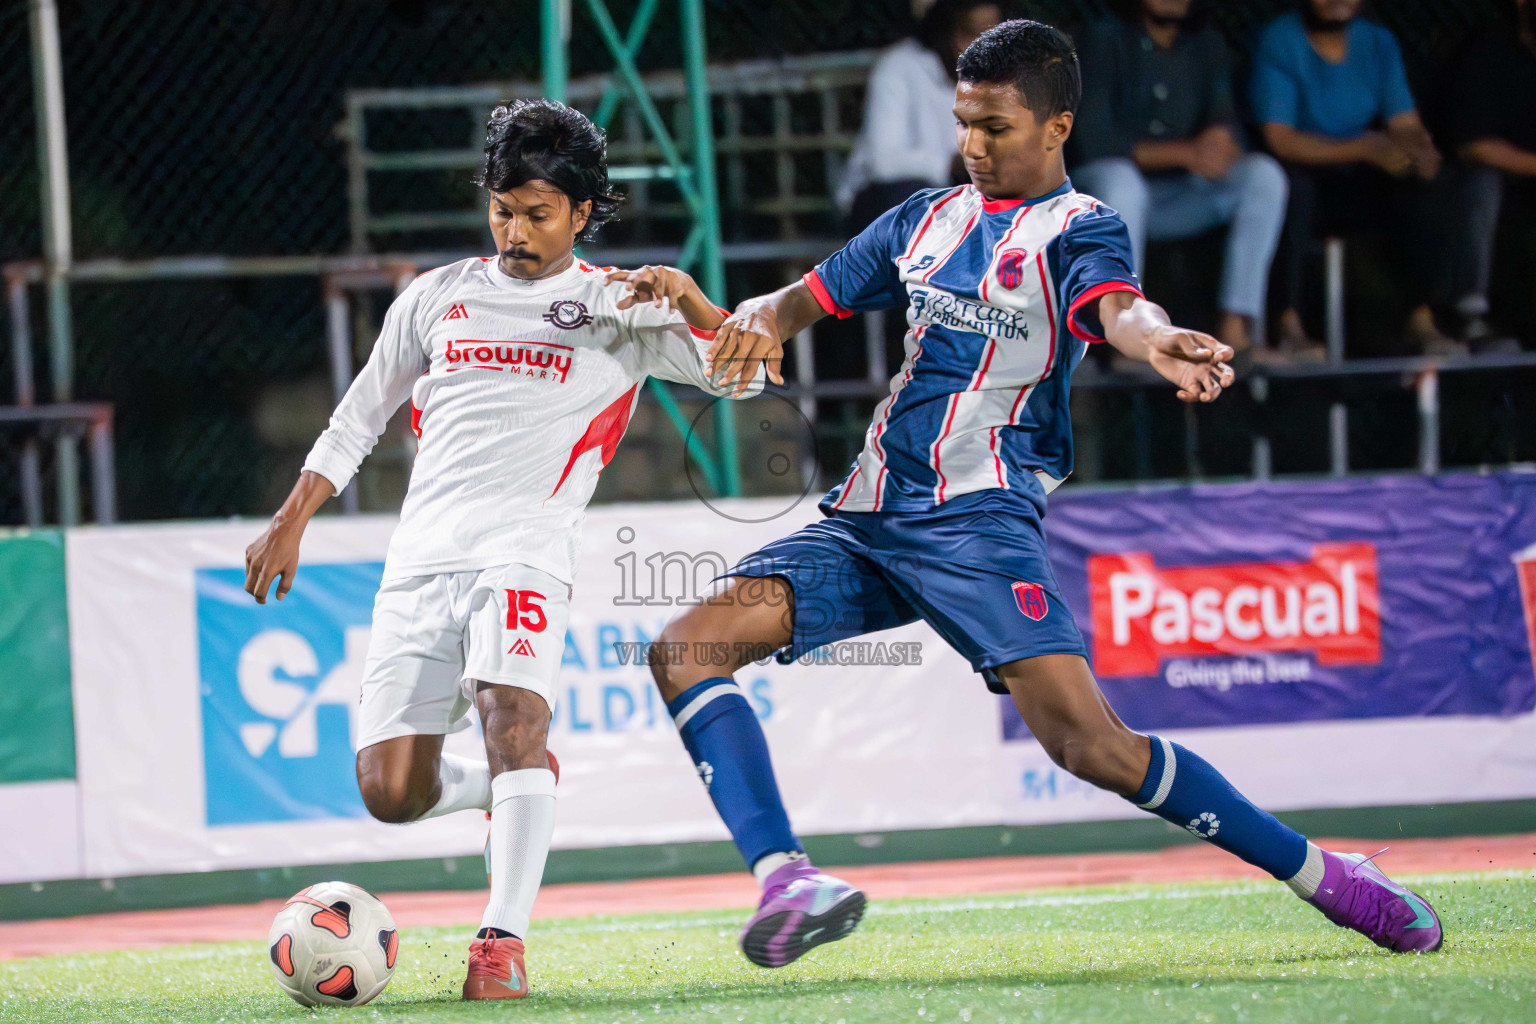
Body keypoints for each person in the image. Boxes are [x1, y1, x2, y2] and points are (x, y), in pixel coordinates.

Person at [649, 19, 1442, 969]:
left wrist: (1161, 342)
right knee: (687, 647)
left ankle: (1327, 873)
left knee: (1093, 748)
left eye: (997, 127)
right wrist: (728, 318)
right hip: (867, 520)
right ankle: (789, 879)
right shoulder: (920, 218)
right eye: (964, 125)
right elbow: (788, 309)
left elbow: (1118, 309)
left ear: (1058, 125)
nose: (974, 147)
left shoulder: (1081, 227)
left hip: (979, 524)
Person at [241, 99, 769, 1001]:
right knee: (389, 790)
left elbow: (750, 371)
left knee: (513, 720)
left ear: (580, 213)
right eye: (502, 208)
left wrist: (692, 299)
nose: (515, 229)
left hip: (527, 549)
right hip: (421, 561)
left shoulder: (620, 304)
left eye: (537, 212)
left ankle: (501, 942)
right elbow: (358, 417)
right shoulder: (437, 296)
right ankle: (506, 790)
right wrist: (292, 516)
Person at [1072, 0, 1289, 361]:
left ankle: (1236, 328)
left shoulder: (1207, 44)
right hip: (1106, 198)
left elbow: (1226, 118)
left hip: (1182, 195)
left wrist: (1222, 139)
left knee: (1262, 176)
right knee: (1122, 181)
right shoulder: (1100, 39)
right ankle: (1129, 338)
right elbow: (1094, 141)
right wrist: (1186, 152)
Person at [1252, 0, 1465, 355]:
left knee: (1422, 185)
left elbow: (1404, 123)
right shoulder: (1280, 40)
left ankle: (1421, 318)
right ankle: (1288, 327)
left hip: (1359, 178)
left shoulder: (1378, 42)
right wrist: (1364, 148)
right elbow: (1281, 139)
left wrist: (1421, 152)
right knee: (1288, 188)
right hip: (1302, 174)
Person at [837, 0, 1003, 235]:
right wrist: (950, 162)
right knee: (917, 201)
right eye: (971, 34)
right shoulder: (898, 67)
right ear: (948, 30)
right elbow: (882, 163)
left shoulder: (996, 77)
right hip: (884, 202)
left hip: (955, 199)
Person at [1439, 0, 1536, 349]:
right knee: (1482, 183)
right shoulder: (1487, 49)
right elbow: (1474, 147)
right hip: (1475, 185)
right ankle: (1470, 318)